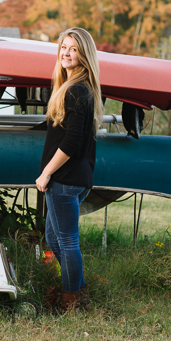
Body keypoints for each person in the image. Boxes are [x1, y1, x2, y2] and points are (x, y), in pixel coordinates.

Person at [35, 27, 103, 312]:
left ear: (84, 54)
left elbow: (72, 142)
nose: (66, 53)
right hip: (74, 178)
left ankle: (71, 301)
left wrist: (47, 172)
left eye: (74, 48)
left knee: (67, 241)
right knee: (54, 238)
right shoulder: (78, 87)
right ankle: (79, 289)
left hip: (65, 179)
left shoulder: (76, 90)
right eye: (64, 47)